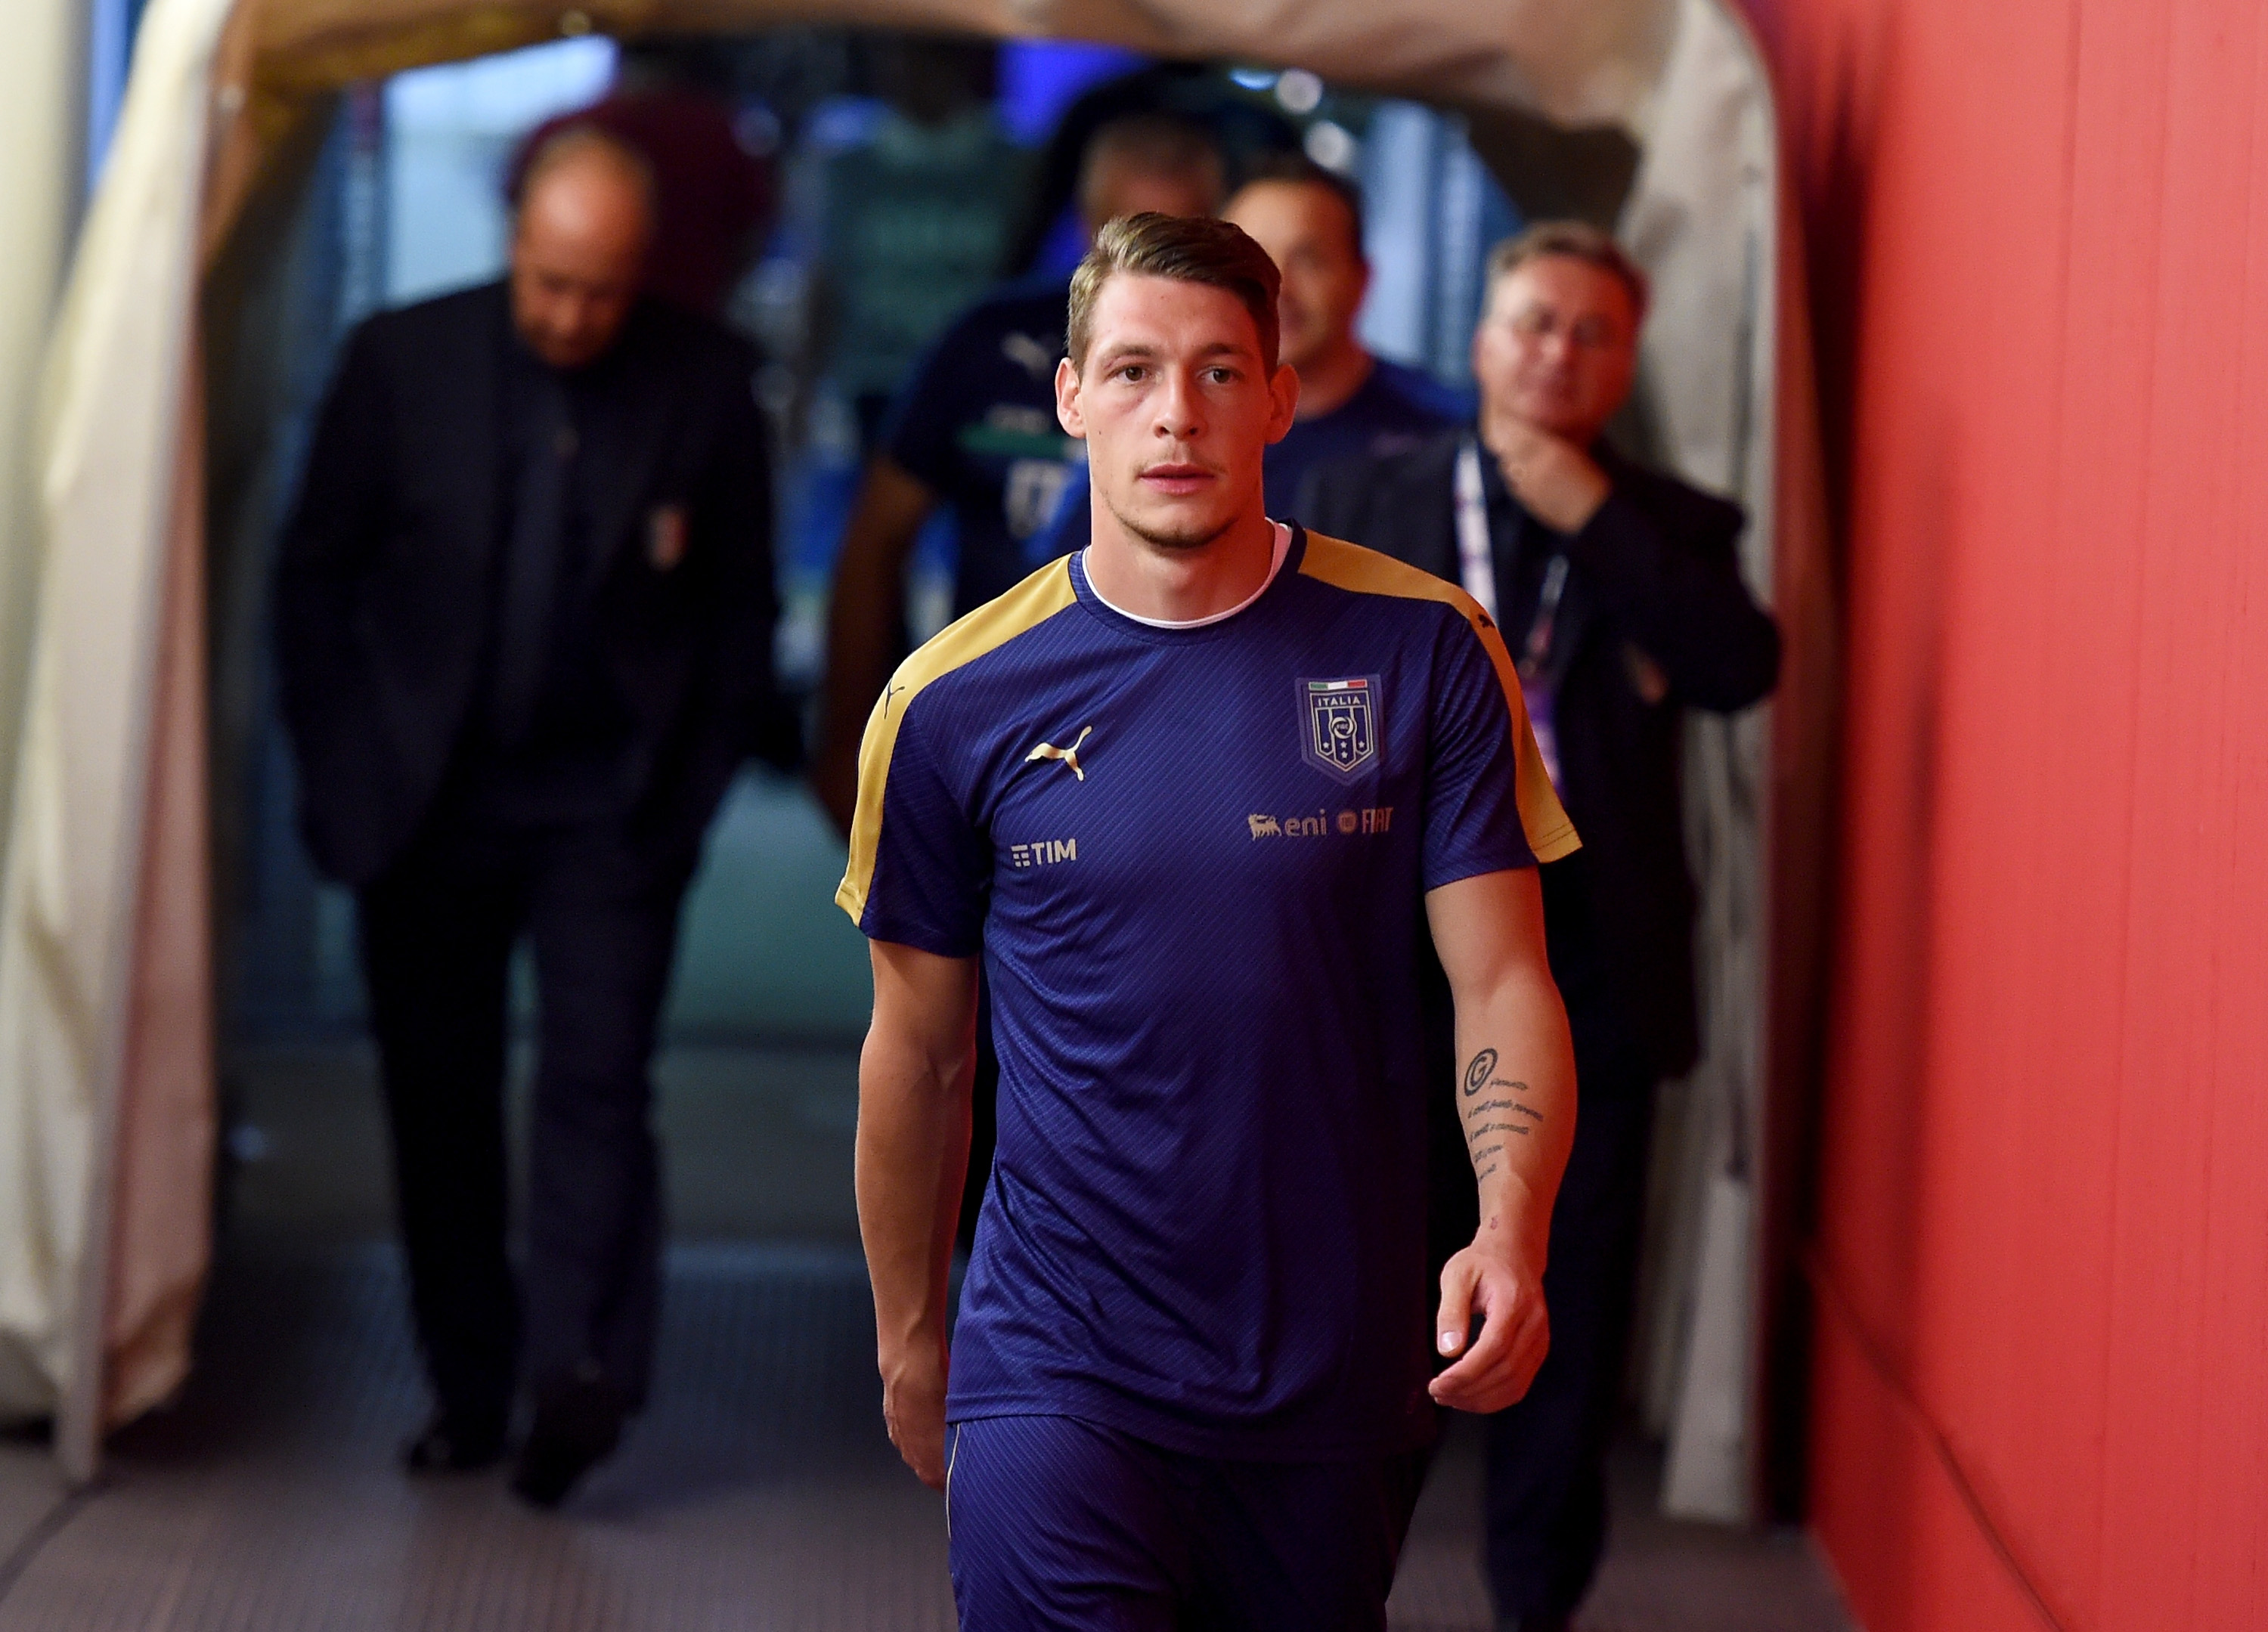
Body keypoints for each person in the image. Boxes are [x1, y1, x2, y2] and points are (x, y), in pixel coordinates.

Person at [841, 212, 1582, 1629]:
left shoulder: (1423, 646)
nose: (1175, 415)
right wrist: (912, 1333)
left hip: (1335, 1362)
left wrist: (1509, 1229)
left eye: (1220, 373)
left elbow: (1501, 979)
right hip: (1059, 1357)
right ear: (1070, 398)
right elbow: (920, 1054)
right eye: (1129, 371)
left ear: (1281, 394)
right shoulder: (948, 703)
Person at [274, 125, 792, 1507]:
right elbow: (311, 582)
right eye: (551, 281)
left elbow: (743, 610)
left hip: (606, 804)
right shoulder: (400, 361)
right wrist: (339, 768)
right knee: (436, 1101)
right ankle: (466, 1383)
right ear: (515, 242)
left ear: (643, 272)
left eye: (602, 290)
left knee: (598, 1085)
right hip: (425, 798)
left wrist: (683, 798)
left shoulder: (705, 383)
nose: (571, 316)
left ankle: (577, 1375)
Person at [1303, 221, 1781, 1632]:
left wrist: (1594, 519)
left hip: (1600, 970)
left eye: (1591, 332)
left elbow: (1739, 666)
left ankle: (1537, 1600)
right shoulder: (1359, 497)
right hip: (1398, 973)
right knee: (1378, 1299)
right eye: (1532, 322)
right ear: (1478, 336)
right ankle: (1332, 1587)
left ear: (1626, 357)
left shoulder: (1672, 526)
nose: (1557, 352)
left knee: (1562, 1313)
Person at [810, 113, 1224, 835]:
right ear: (1086, 223)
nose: (1150, 272)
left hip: (1184, 724)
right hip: (994, 719)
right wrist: (851, 732)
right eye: (1128, 236)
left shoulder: (1237, 372)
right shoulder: (986, 343)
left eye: (1176, 243)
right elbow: (876, 540)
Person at [1028, 155, 1459, 559]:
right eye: (1253, 260)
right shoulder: (1155, 440)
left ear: (1362, 278)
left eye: (1309, 259)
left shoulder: (1444, 433)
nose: (1277, 286)